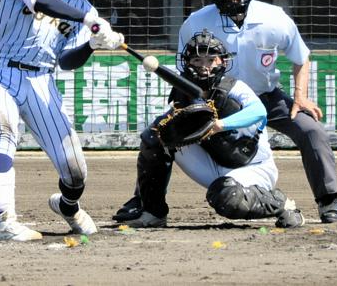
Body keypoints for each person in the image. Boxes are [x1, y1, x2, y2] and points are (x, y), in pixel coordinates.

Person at [115, 0, 337, 224]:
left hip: (267, 96)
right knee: (158, 134)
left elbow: (301, 56)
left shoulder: (274, 18)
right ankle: (146, 203)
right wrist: (188, 105)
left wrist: (300, 96)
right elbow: (185, 69)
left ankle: (328, 201)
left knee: (311, 130)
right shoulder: (196, 22)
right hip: (213, 100)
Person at [0, 0, 124, 241]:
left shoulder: (87, 12)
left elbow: (67, 61)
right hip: (1, 73)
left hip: (42, 82)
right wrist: (87, 19)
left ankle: (67, 207)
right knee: (3, 136)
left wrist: (92, 45)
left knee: (75, 171)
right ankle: (4, 219)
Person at [122, 30, 305, 229]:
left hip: (252, 167)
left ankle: (283, 205)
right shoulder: (182, 94)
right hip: (211, 163)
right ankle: (153, 211)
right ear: (187, 63)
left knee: (227, 198)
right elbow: (162, 131)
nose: (204, 67)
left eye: (211, 60)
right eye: (197, 60)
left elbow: (259, 112)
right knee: (154, 138)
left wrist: (220, 125)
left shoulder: (235, 87)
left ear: (223, 63)